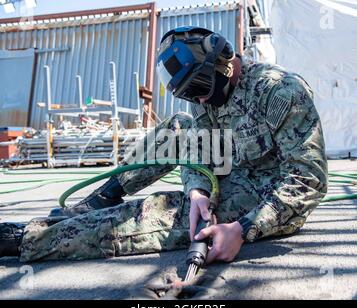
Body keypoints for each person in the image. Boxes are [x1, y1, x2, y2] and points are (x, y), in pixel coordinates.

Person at [0, 26, 328, 264]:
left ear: (225, 66)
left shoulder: (282, 94)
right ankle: (102, 198)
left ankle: (29, 239)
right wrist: (198, 190)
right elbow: (200, 147)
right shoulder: (208, 91)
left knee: (163, 214)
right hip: (231, 170)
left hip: (266, 195)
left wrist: (242, 230)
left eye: (199, 88)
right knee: (177, 129)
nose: (198, 99)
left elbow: (308, 181)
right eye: (189, 93)